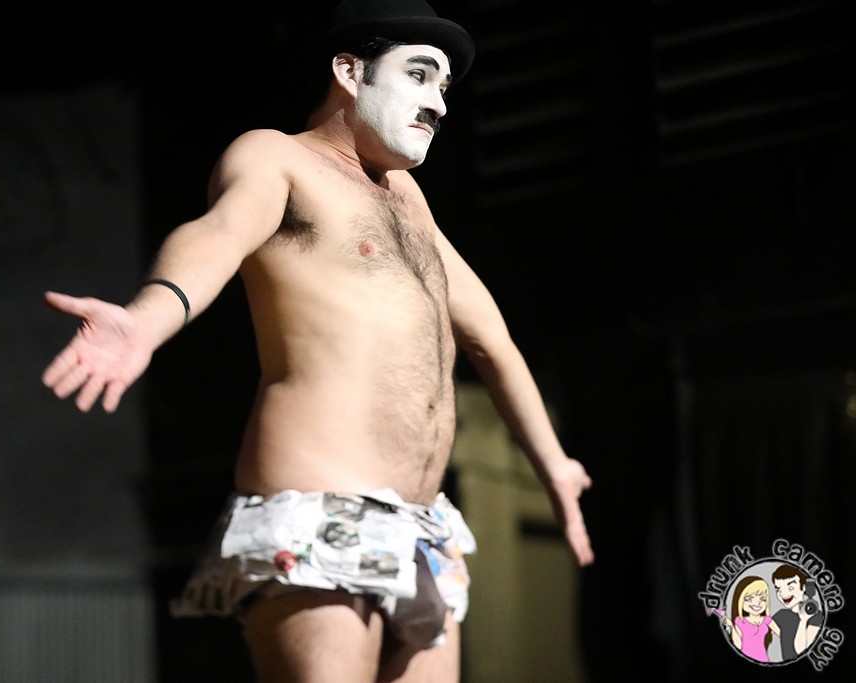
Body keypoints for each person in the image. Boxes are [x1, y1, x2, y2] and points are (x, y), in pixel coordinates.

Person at [41, 1, 594, 680]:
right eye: (419, 75)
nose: (439, 103)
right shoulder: (276, 156)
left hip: (424, 529)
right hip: (321, 509)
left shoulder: (407, 199)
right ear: (350, 72)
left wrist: (553, 463)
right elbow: (217, 235)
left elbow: (491, 340)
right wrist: (146, 318)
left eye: (444, 87)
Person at [721, 576, 780, 663]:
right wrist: (731, 626)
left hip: (763, 660)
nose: (757, 603)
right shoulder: (740, 621)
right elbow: (738, 645)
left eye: (763, 599)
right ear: (740, 600)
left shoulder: (767, 620)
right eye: (749, 599)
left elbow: (783, 635)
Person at [771, 564, 823, 660]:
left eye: (790, 588)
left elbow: (801, 650)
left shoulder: (816, 616)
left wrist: (803, 620)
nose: (783, 594)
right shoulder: (781, 615)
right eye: (778, 589)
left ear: (803, 587)